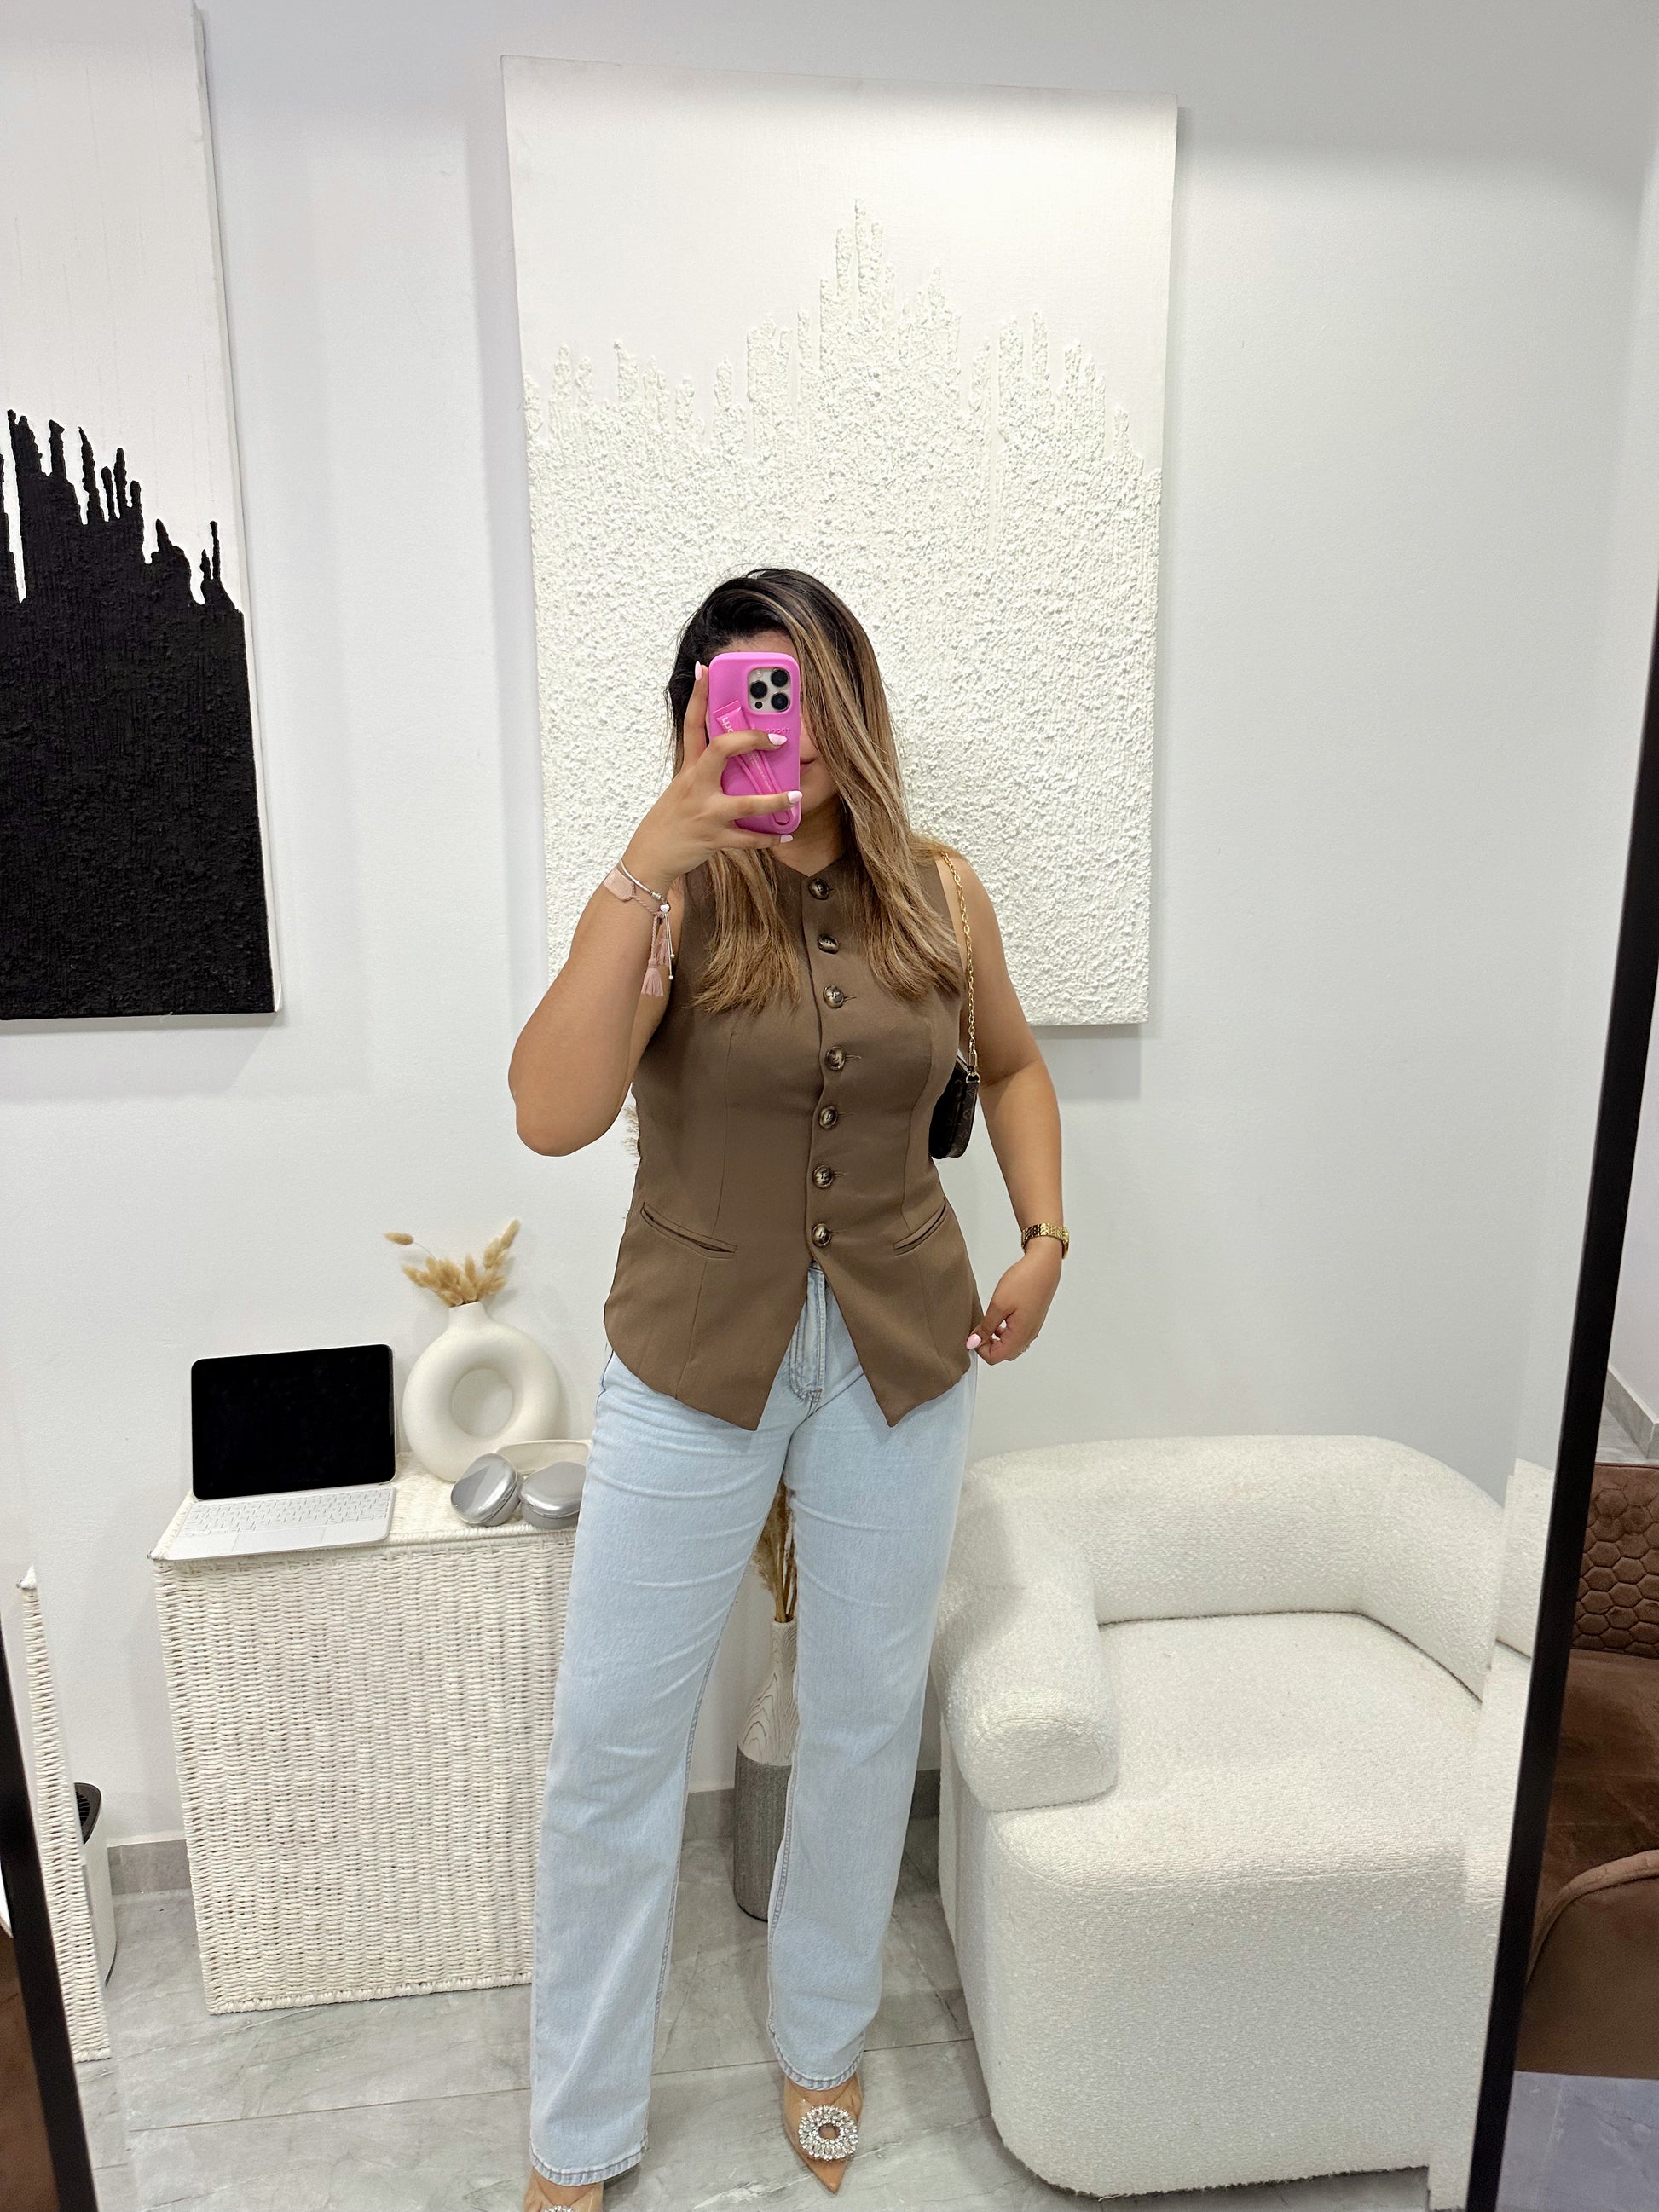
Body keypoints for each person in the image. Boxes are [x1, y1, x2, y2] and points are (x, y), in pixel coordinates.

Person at [509, 568, 1066, 2207]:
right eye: (753, 695)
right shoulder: (673, 898)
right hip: (693, 1361)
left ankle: (821, 2034)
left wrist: (1043, 1233)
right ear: (700, 713)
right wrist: (647, 857)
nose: (788, 730)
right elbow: (550, 1113)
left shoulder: (940, 892)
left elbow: (1012, 1065)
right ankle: (576, 2126)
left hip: (901, 1357)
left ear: (856, 700)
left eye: (811, 691)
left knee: (862, 1715)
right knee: (611, 1747)